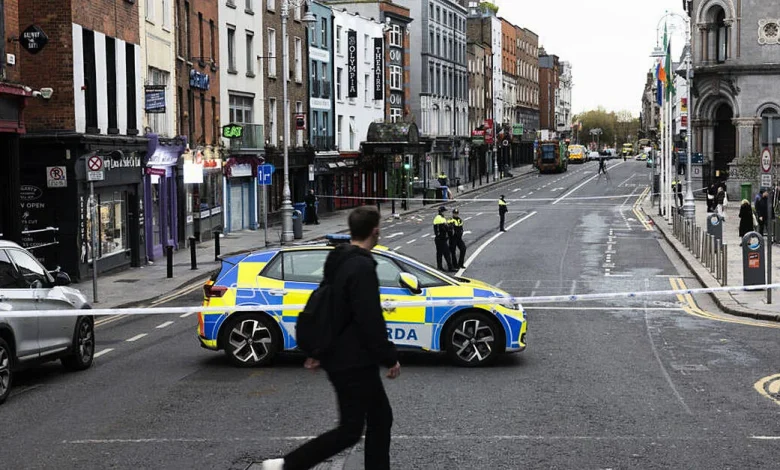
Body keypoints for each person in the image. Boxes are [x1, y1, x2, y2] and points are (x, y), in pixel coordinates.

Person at [262, 206, 400, 470]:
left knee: (381, 417)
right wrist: (389, 356)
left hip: (345, 356)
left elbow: (331, 307)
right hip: (352, 360)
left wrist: (317, 351)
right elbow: (368, 318)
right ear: (376, 230)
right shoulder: (361, 267)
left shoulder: (340, 260)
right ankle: (287, 465)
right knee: (350, 429)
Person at [433, 206, 454, 271]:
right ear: (441, 212)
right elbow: (445, 228)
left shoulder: (440, 218)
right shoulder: (439, 218)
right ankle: (449, 268)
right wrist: (450, 226)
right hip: (441, 239)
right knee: (446, 253)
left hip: (440, 239)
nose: (445, 212)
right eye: (444, 211)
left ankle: (440, 267)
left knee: (440, 253)